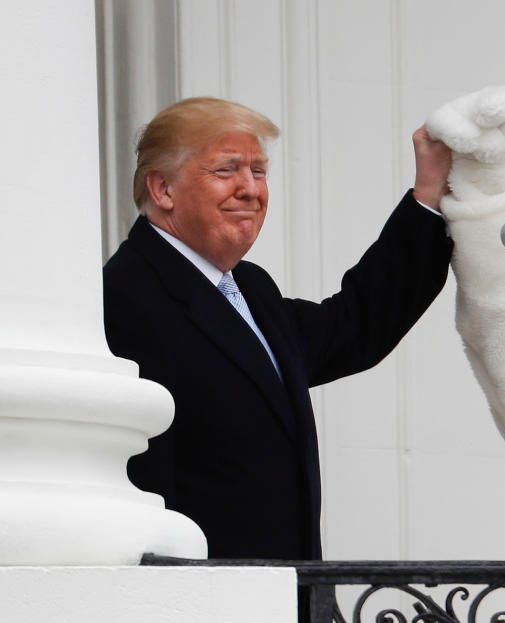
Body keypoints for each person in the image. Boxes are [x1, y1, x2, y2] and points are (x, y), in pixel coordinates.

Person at [103, 97, 453, 561]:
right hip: (203, 607)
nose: (250, 189)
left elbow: (354, 326)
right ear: (163, 189)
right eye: (226, 170)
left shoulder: (249, 287)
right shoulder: (127, 294)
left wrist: (427, 193)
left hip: (281, 596)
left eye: (259, 171)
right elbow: (137, 478)